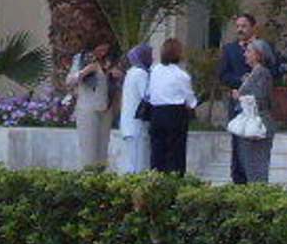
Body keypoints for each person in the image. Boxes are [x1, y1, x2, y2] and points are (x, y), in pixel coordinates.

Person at [230, 38, 280, 185]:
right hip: (249, 122)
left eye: (248, 51)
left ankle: (259, 192)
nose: (245, 54)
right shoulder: (253, 73)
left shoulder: (262, 73)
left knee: (256, 166)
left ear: (258, 54)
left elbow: (261, 99)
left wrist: (239, 97)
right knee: (249, 165)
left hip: (258, 124)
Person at [145, 37, 198, 175]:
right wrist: (193, 104)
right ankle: (174, 179)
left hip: (156, 113)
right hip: (175, 114)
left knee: (157, 152)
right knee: (176, 152)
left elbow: (150, 92)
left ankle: (156, 179)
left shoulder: (155, 70)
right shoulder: (181, 75)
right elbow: (190, 99)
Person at [218, 13, 259, 182]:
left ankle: (256, 178)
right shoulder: (229, 49)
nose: (240, 30)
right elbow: (223, 74)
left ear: (253, 27)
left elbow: (273, 70)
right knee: (237, 141)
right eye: (238, 26)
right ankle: (238, 180)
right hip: (237, 102)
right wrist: (240, 81)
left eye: (244, 26)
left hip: (258, 102)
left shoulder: (262, 47)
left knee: (257, 142)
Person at [66, 40, 115, 171]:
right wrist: (84, 71)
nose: (103, 53)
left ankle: (101, 177)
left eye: (106, 50)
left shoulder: (109, 62)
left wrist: (115, 75)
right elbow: (69, 81)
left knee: (102, 150)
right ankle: (88, 176)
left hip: (105, 109)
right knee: (88, 149)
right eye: (100, 50)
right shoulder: (81, 59)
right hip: (87, 108)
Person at [115, 43, 153, 174]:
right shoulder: (141, 73)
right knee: (138, 164)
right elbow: (146, 95)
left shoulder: (131, 72)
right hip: (137, 125)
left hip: (128, 124)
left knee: (131, 161)